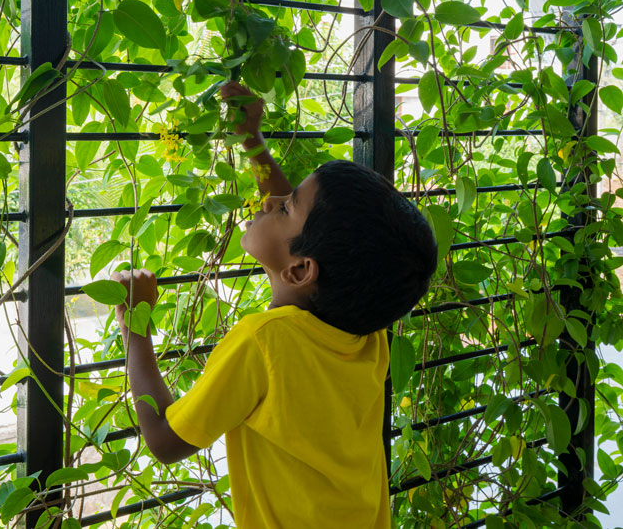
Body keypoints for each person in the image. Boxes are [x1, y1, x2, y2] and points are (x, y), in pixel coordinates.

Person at [110, 81, 438, 528]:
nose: (273, 202)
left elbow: (167, 441)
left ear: (301, 271)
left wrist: (136, 328)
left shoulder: (262, 344)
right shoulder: (364, 331)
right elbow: (305, 236)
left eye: (285, 209)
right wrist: (252, 141)